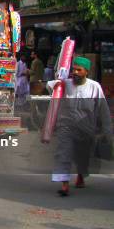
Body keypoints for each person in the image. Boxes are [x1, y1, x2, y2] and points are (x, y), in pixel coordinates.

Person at [47, 56, 112, 196]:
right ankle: (64, 184)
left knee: (82, 156)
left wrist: (109, 133)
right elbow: (49, 85)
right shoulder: (66, 83)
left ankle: (81, 176)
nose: (75, 72)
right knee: (64, 153)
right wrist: (56, 83)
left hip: (86, 128)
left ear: (86, 71)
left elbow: (104, 111)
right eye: (74, 69)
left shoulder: (94, 87)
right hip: (66, 126)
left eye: (79, 70)